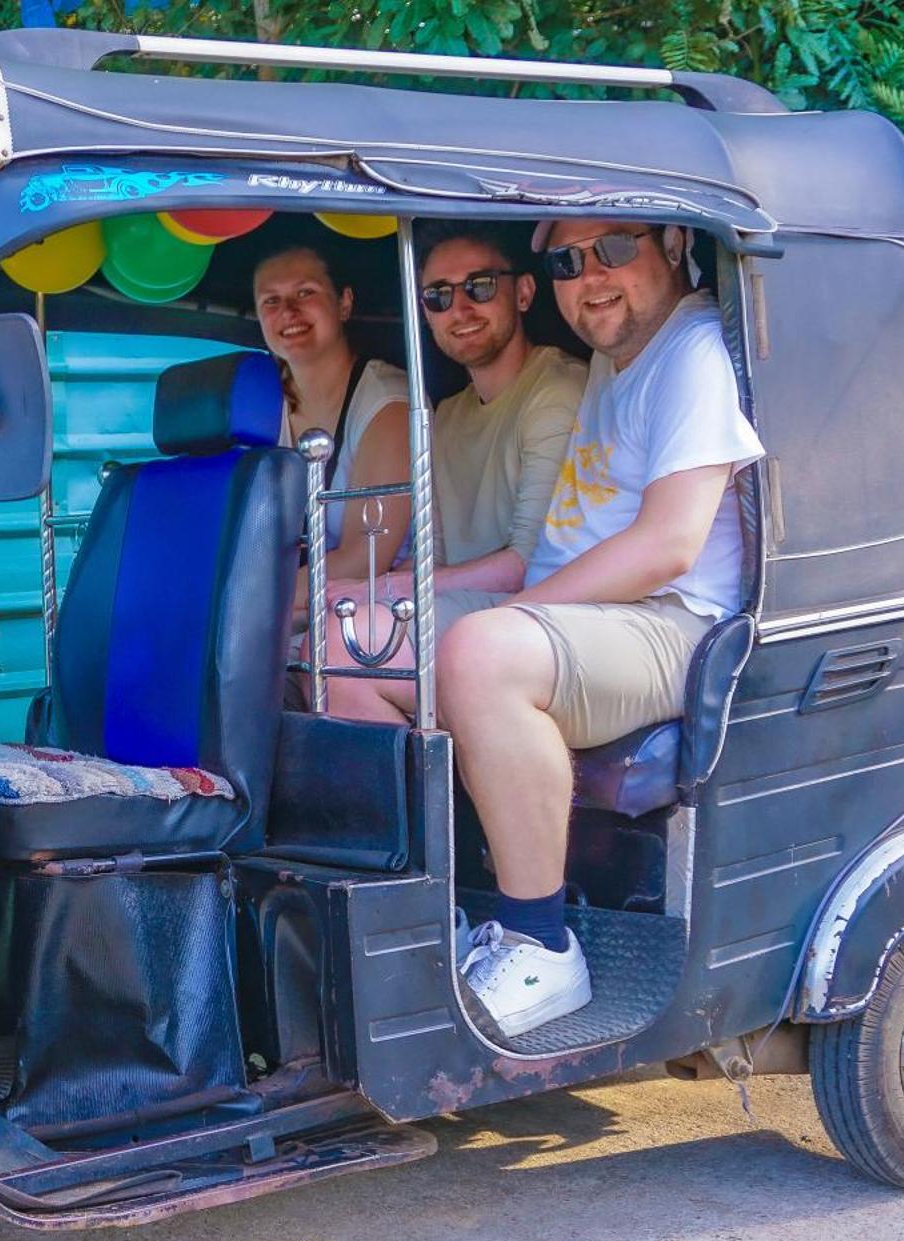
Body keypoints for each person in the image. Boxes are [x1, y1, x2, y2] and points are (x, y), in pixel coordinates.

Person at [442, 220, 765, 1038]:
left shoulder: (691, 349)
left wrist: (521, 612)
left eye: (614, 250)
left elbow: (669, 546)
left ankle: (540, 944)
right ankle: (444, 914)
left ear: (668, 244)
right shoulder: (613, 365)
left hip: (672, 623)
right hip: (589, 617)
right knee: (350, 643)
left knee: (483, 654)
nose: (591, 277)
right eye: (566, 262)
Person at [320, 222, 586, 722]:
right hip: (471, 609)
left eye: (479, 287)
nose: (458, 309)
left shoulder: (556, 390)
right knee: (328, 631)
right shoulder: (447, 415)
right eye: (437, 296)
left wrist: (393, 589)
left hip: (542, 614)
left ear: (523, 292)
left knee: (349, 642)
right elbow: (434, 556)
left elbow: (531, 563)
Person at [251, 242, 413, 593]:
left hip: (376, 611)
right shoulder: (259, 402)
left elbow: (365, 559)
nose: (288, 311)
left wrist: (247, 597)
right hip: (292, 609)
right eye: (271, 301)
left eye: (305, 293)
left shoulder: (387, 400)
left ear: (344, 303)